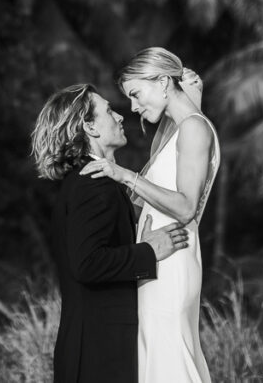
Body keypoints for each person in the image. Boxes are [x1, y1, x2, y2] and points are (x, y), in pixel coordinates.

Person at [31, 84, 190, 383]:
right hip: (97, 357)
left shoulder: (91, 181)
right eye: (108, 110)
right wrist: (150, 251)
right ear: (89, 126)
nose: (119, 116)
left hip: (95, 352)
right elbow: (87, 263)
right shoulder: (93, 184)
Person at [81, 49, 220, 383]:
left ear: (161, 82)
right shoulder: (185, 128)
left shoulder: (193, 129)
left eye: (135, 94)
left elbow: (186, 206)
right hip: (158, 262)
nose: (133, 107)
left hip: (171, 262)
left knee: (167, 359)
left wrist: (125, 175)